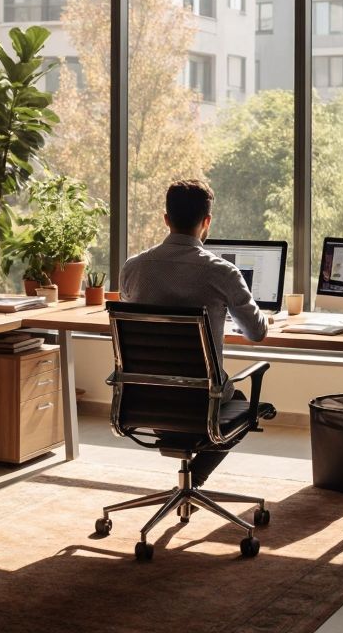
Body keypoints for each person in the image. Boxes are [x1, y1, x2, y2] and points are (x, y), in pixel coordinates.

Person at [119, 178, 267, 487]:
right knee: (240, 399)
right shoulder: (222, 272)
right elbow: (256, 333)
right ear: (207, 222)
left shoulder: (132, 268)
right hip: (201, 405)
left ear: (166, 219)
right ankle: (196, 478)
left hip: (145, 401)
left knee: (212, 398)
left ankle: (190, 482)